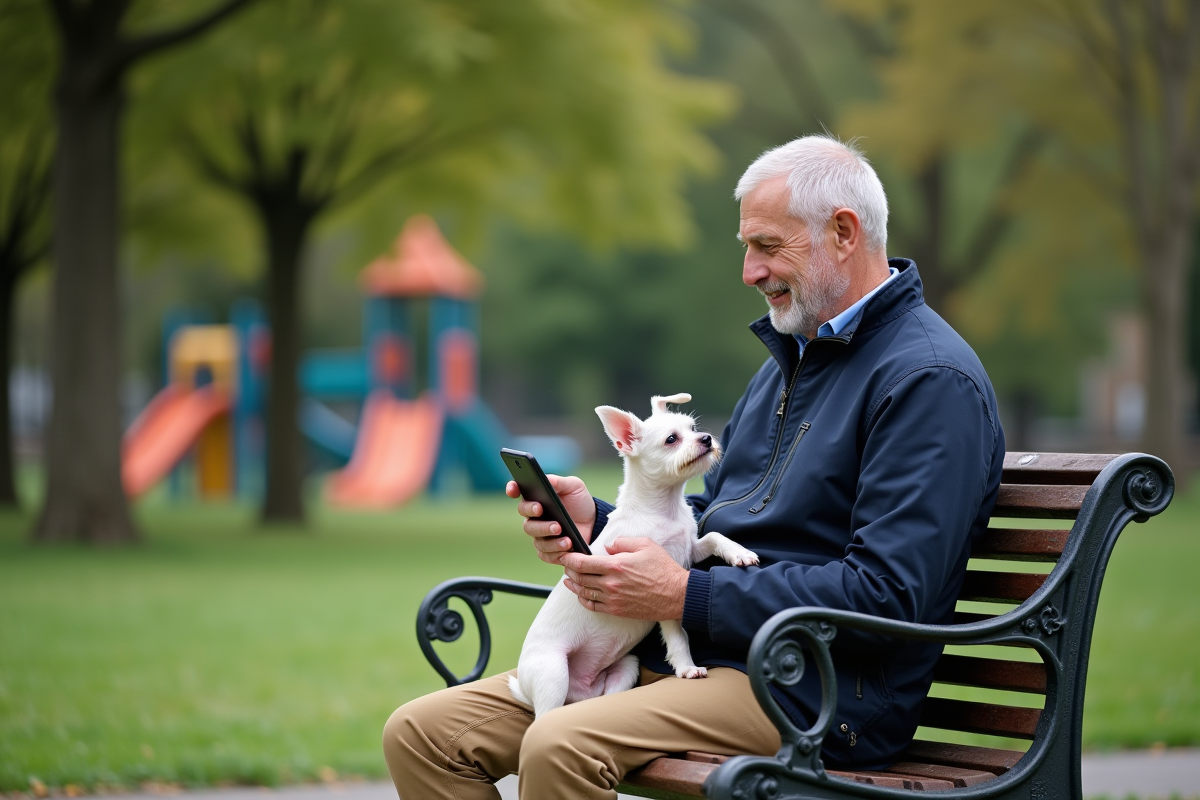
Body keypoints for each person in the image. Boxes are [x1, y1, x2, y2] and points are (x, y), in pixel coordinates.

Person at [382, 135, 1005, 799]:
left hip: (811, 691)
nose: (749, 270)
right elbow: (715, 514)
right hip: (687, 658)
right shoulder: (788, 365)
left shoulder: (928, 382)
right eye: (747, 247)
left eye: (767, 246)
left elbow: (888, 594)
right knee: (421, 735)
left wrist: (684, 597)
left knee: (561, 744)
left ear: (844, 233)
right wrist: (602, 520)